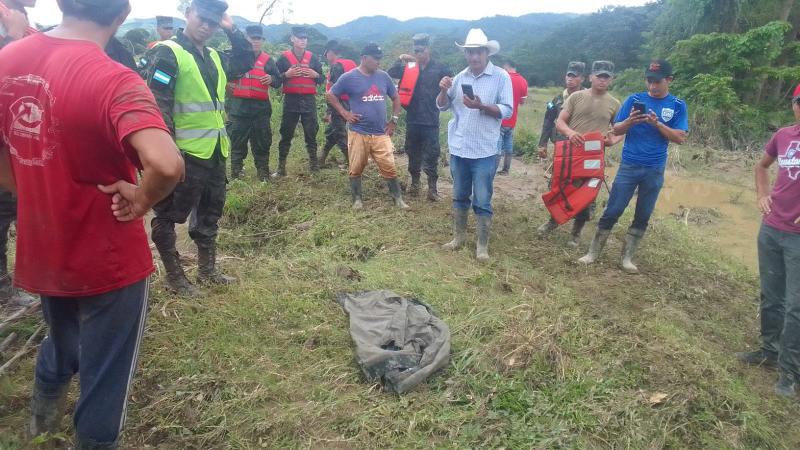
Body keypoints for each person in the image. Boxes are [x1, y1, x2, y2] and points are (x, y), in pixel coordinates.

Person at [0, 0, 185, 446]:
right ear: (120, 16)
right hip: (108, 257)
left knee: (62, 343)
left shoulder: (7, 60)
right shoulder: (114, 78)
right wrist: (141, 199)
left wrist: (33, 192)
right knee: (106, 378)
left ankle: (40, 426)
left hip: (42, 245)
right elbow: (166, 163)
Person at [144, 0, 252, 295]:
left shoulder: (215, 56)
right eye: (202, 18)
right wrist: (167, 149)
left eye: (213, 22)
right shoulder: (168, 52)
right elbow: (157, 102)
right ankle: (176, 279)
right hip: (183, 154)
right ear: (188, 13)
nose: (206, 26)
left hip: (215, 151)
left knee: (210, 213)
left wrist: (232, 29)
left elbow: (245, 59)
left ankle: (207, 270)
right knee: (169, 216)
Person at [578, 59, 688, 272]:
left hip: (654, 169)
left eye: (657, 81)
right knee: (614, 209)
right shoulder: (634, 99)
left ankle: (627, 258)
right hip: (629, 165)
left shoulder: (677, 105)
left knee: (643, 214)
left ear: (669, 80)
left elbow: (680, 138)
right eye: (649, 81)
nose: (652, 86)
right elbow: (616, 130)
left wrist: (657, 124)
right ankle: (593, 252)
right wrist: (630, 121)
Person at [735, 83, 800, 400]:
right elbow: (761, 166)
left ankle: (790, 371)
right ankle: (769, 351)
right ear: (793, 104)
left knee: (796, 307)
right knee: (771, 296)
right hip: (772, 228)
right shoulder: (784, 136)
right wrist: (762, 195)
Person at [436, 29, 513, 262]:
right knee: (459, 195)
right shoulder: (459, 78)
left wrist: (482, 106)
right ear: (466, 54)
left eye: (478, 52)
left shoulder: (501, 77)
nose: (474, 57)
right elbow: (441, 106)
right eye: (470, 52)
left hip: (485, 150)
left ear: (486, 52)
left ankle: (482, 245)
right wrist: (442, 90)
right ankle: (458, 238)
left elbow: (507, 110)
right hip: (460, 147)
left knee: (482, 198)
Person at [537, 60, 621, 248]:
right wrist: (570, 133)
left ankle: (576, 233)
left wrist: (612, 141)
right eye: (599, 76)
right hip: (571, 154)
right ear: (591, 77)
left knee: (587, 194)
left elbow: (619, 131)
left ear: (611, 80)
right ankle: (553, 221)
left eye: (606, 77)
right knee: (561, 189)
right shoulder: (575, 98)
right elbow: (559, 122)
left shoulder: (614, 104)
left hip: (593, 158)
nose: (602, 80)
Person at [326, 43, 409, 210]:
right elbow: (330, 95)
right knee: (356, 166)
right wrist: (345, 113)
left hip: (380, 132)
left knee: (389, 165)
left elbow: (396, 98)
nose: (378, 61)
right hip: (358, 131)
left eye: (380, 58)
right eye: (375, 58)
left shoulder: (384, 77)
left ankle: (398, 199)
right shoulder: (349, 77)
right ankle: (357, 199)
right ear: (364, 58)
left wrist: (393, 120)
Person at [0, 0, 37, 307]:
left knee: (19, 213)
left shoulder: (26, 25)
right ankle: (3, 288)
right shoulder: (10, 26)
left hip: (22, 141)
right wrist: (12, 41)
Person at [388, 33, 453, 200]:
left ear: (428, 50)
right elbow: (392, 72)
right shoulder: (409, 68)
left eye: (421, 51)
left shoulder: (440, 68)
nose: (418, 54)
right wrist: (401, 57)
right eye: (415, 51)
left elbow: (451, 80)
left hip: (431, 120)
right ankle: (415, 185)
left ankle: (432, 190)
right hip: (413, 119)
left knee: (432, 154)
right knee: (412, 153)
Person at [227, 24, 282, 181]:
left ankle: (263, 173)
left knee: (262, 142)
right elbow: (225, 76)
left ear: (262, 41)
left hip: (260, 109)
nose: (256, 41)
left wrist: (272, 78)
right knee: (237, 141)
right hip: (239, 108)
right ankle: (236, 174)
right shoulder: (236, 57)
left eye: (259, 39)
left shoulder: (268, 61)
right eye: (253, 38)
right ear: (246, 39)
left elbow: (278, 80)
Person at [275, 26, 325, 176]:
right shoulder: (283, 58)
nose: (303, 41)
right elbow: (275, 79)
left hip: (308, 100)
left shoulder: (313, 58)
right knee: (286, 134)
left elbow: (322, 79)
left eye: (305, 38)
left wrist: (316, 74)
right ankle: (281, 168)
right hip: (291, 100)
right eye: (299, 38)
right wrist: (286, 74)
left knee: (311, 134)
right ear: (292, 39)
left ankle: (314, 167)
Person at [537, 61, 585, 159]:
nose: (570, 79)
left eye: (574, 76)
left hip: (582, 143)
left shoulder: (588, 98)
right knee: (560, 171)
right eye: (569, 76)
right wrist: (543, 144)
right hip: (561, 144)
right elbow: (548, 121)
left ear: (582, 79)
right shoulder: (557, 99)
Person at [320, 39, 356, 168]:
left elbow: (334, 92)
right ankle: (321, 159)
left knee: (340, 133)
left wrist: (329, 111)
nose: (326, 57)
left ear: (330, 52)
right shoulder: (351, 63)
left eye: (326, 54)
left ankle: (351, 163)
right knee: (332, 132)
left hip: (339, 104)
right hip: (351, 102)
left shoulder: (336, 66)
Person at [496, 58, 528, 175]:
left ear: (506, 66)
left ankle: (493, 170)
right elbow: (522, 102)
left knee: (497, 146)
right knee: (508, 145)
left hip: (500, 118)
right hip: (512, 119)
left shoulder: (503, 78)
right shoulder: (523, 81)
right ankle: (506, 170)